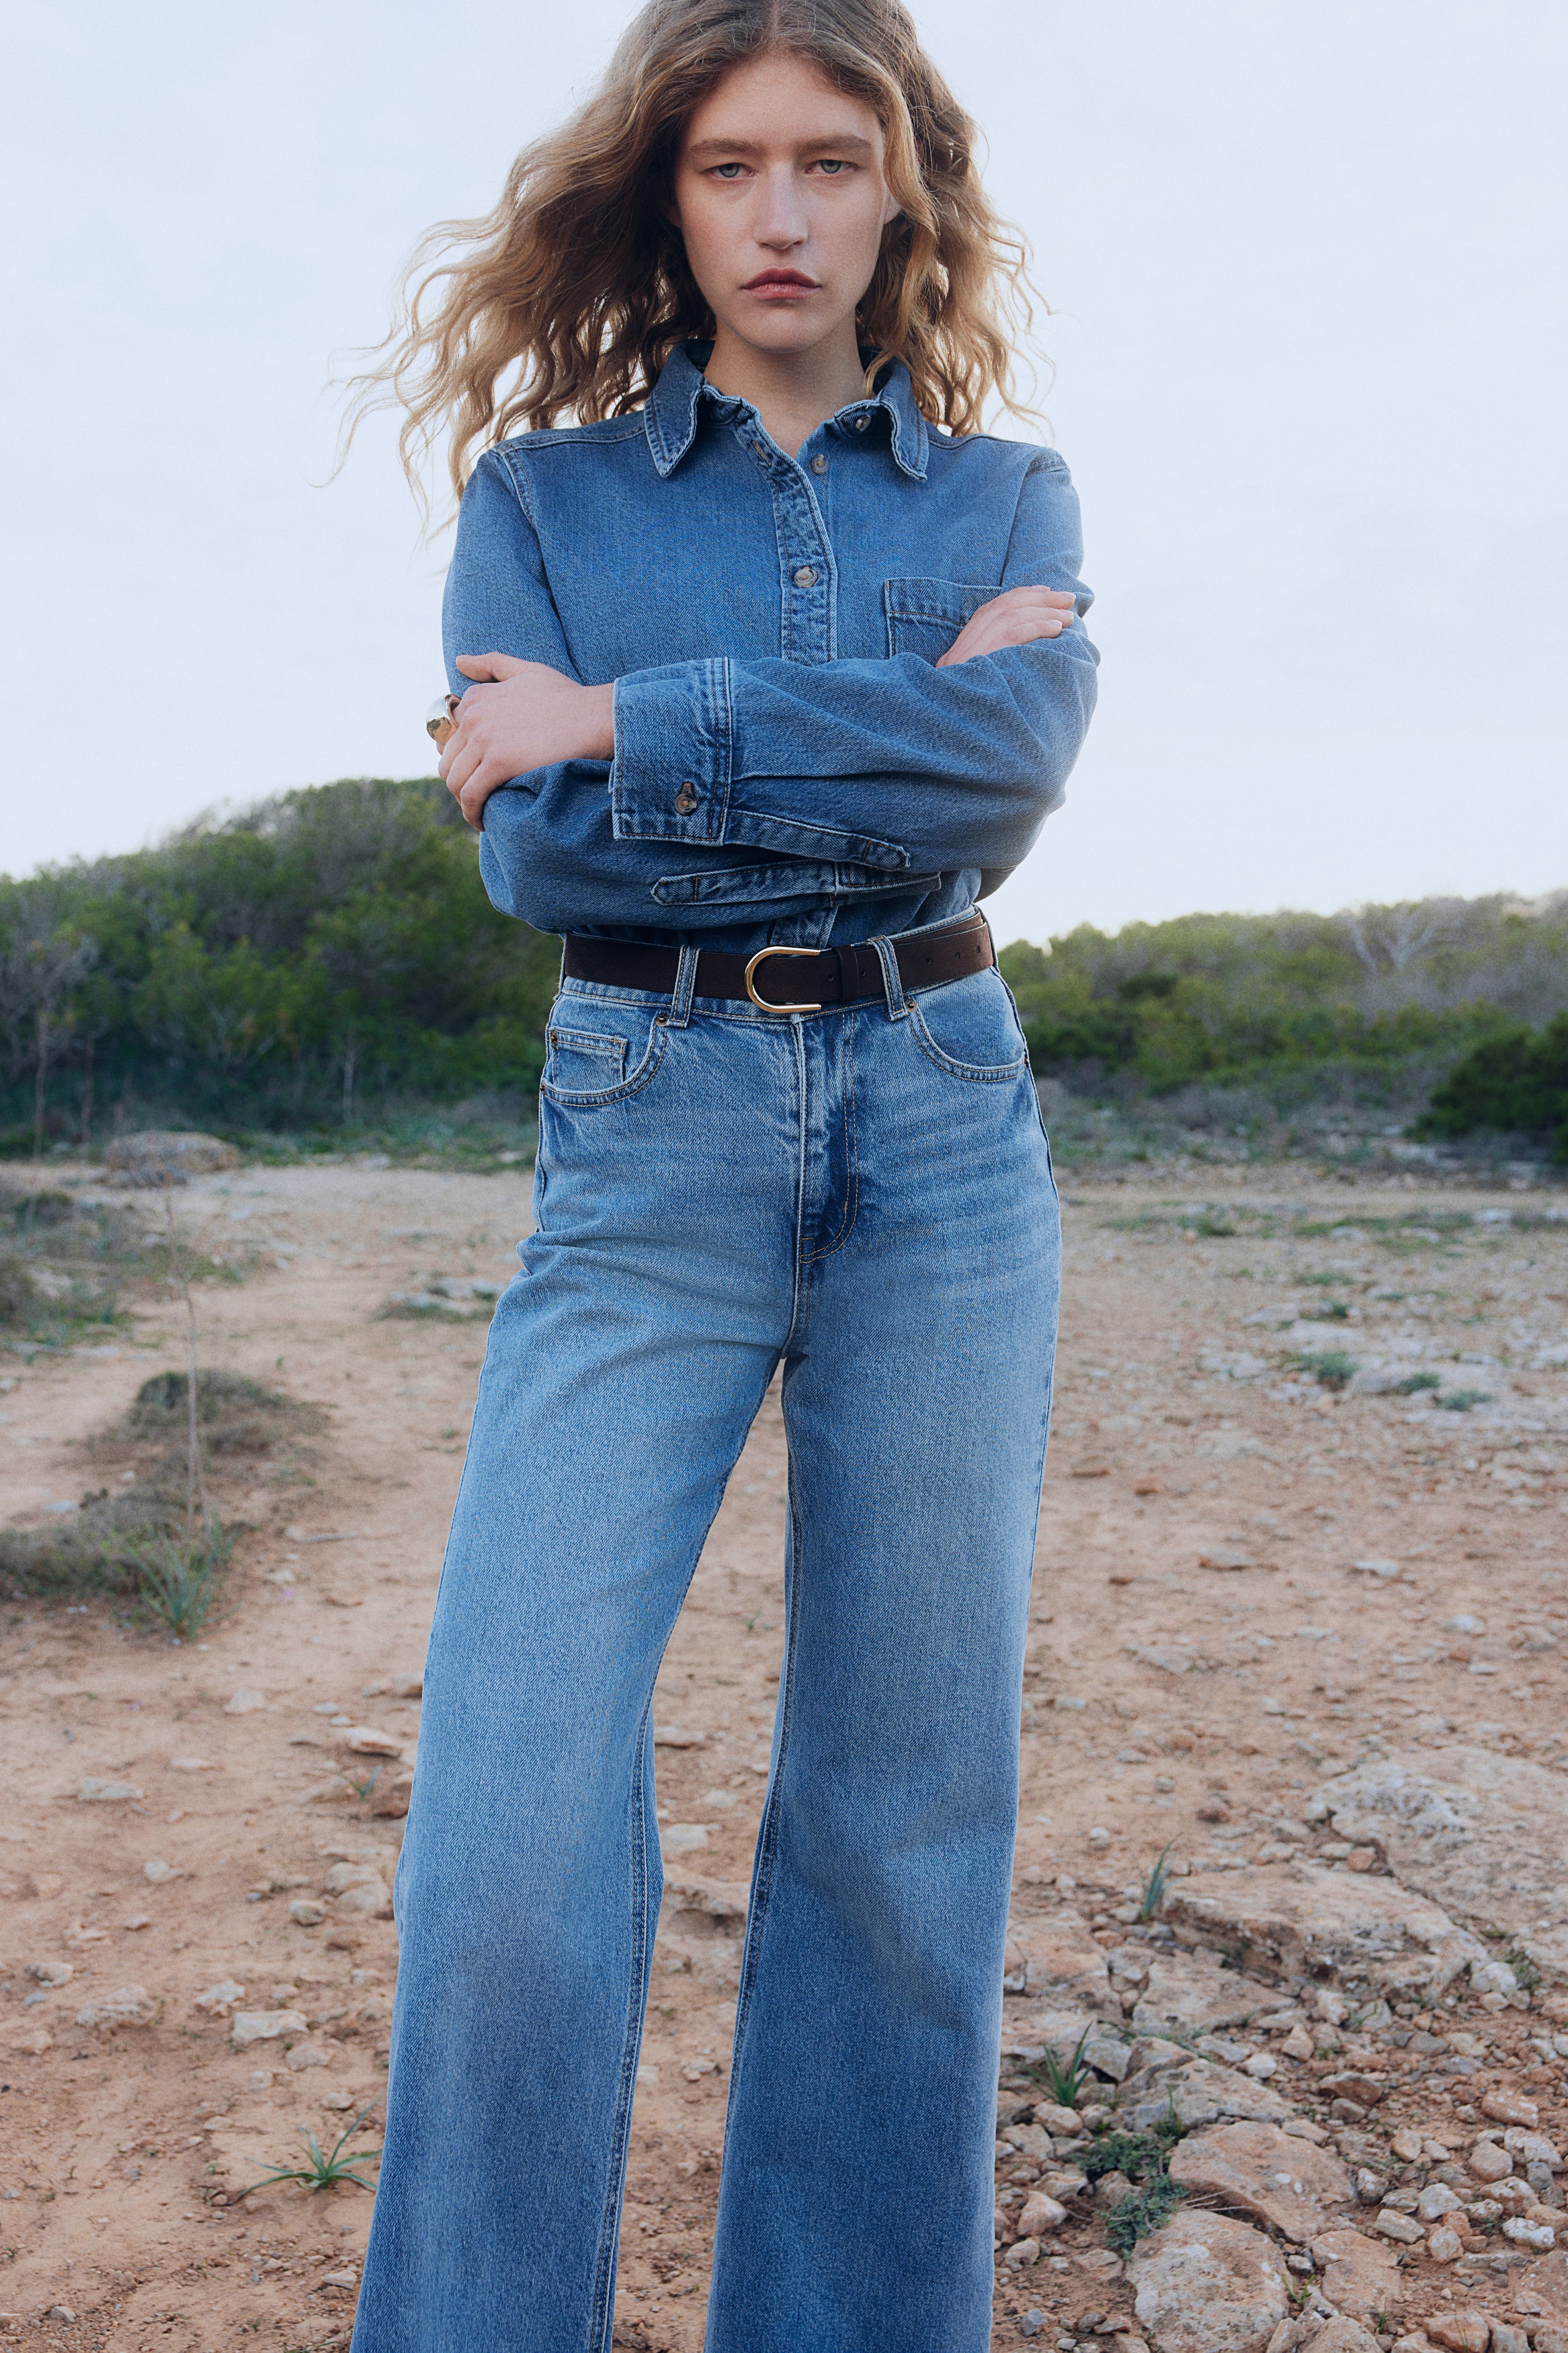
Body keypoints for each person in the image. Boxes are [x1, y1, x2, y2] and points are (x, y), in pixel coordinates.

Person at [348, 1, 1096, 2345]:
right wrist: (877, 739)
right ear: (662, 196)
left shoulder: (1008, 500)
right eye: (729, 164)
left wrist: (625, 715)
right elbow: (538, 851)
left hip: (943, 1124)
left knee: (902, 1817)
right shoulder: (541, 503)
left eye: (831, 162)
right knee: (504, 1819)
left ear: (903, 190)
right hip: (646, 1116)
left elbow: (998, 785)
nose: (782, 215)